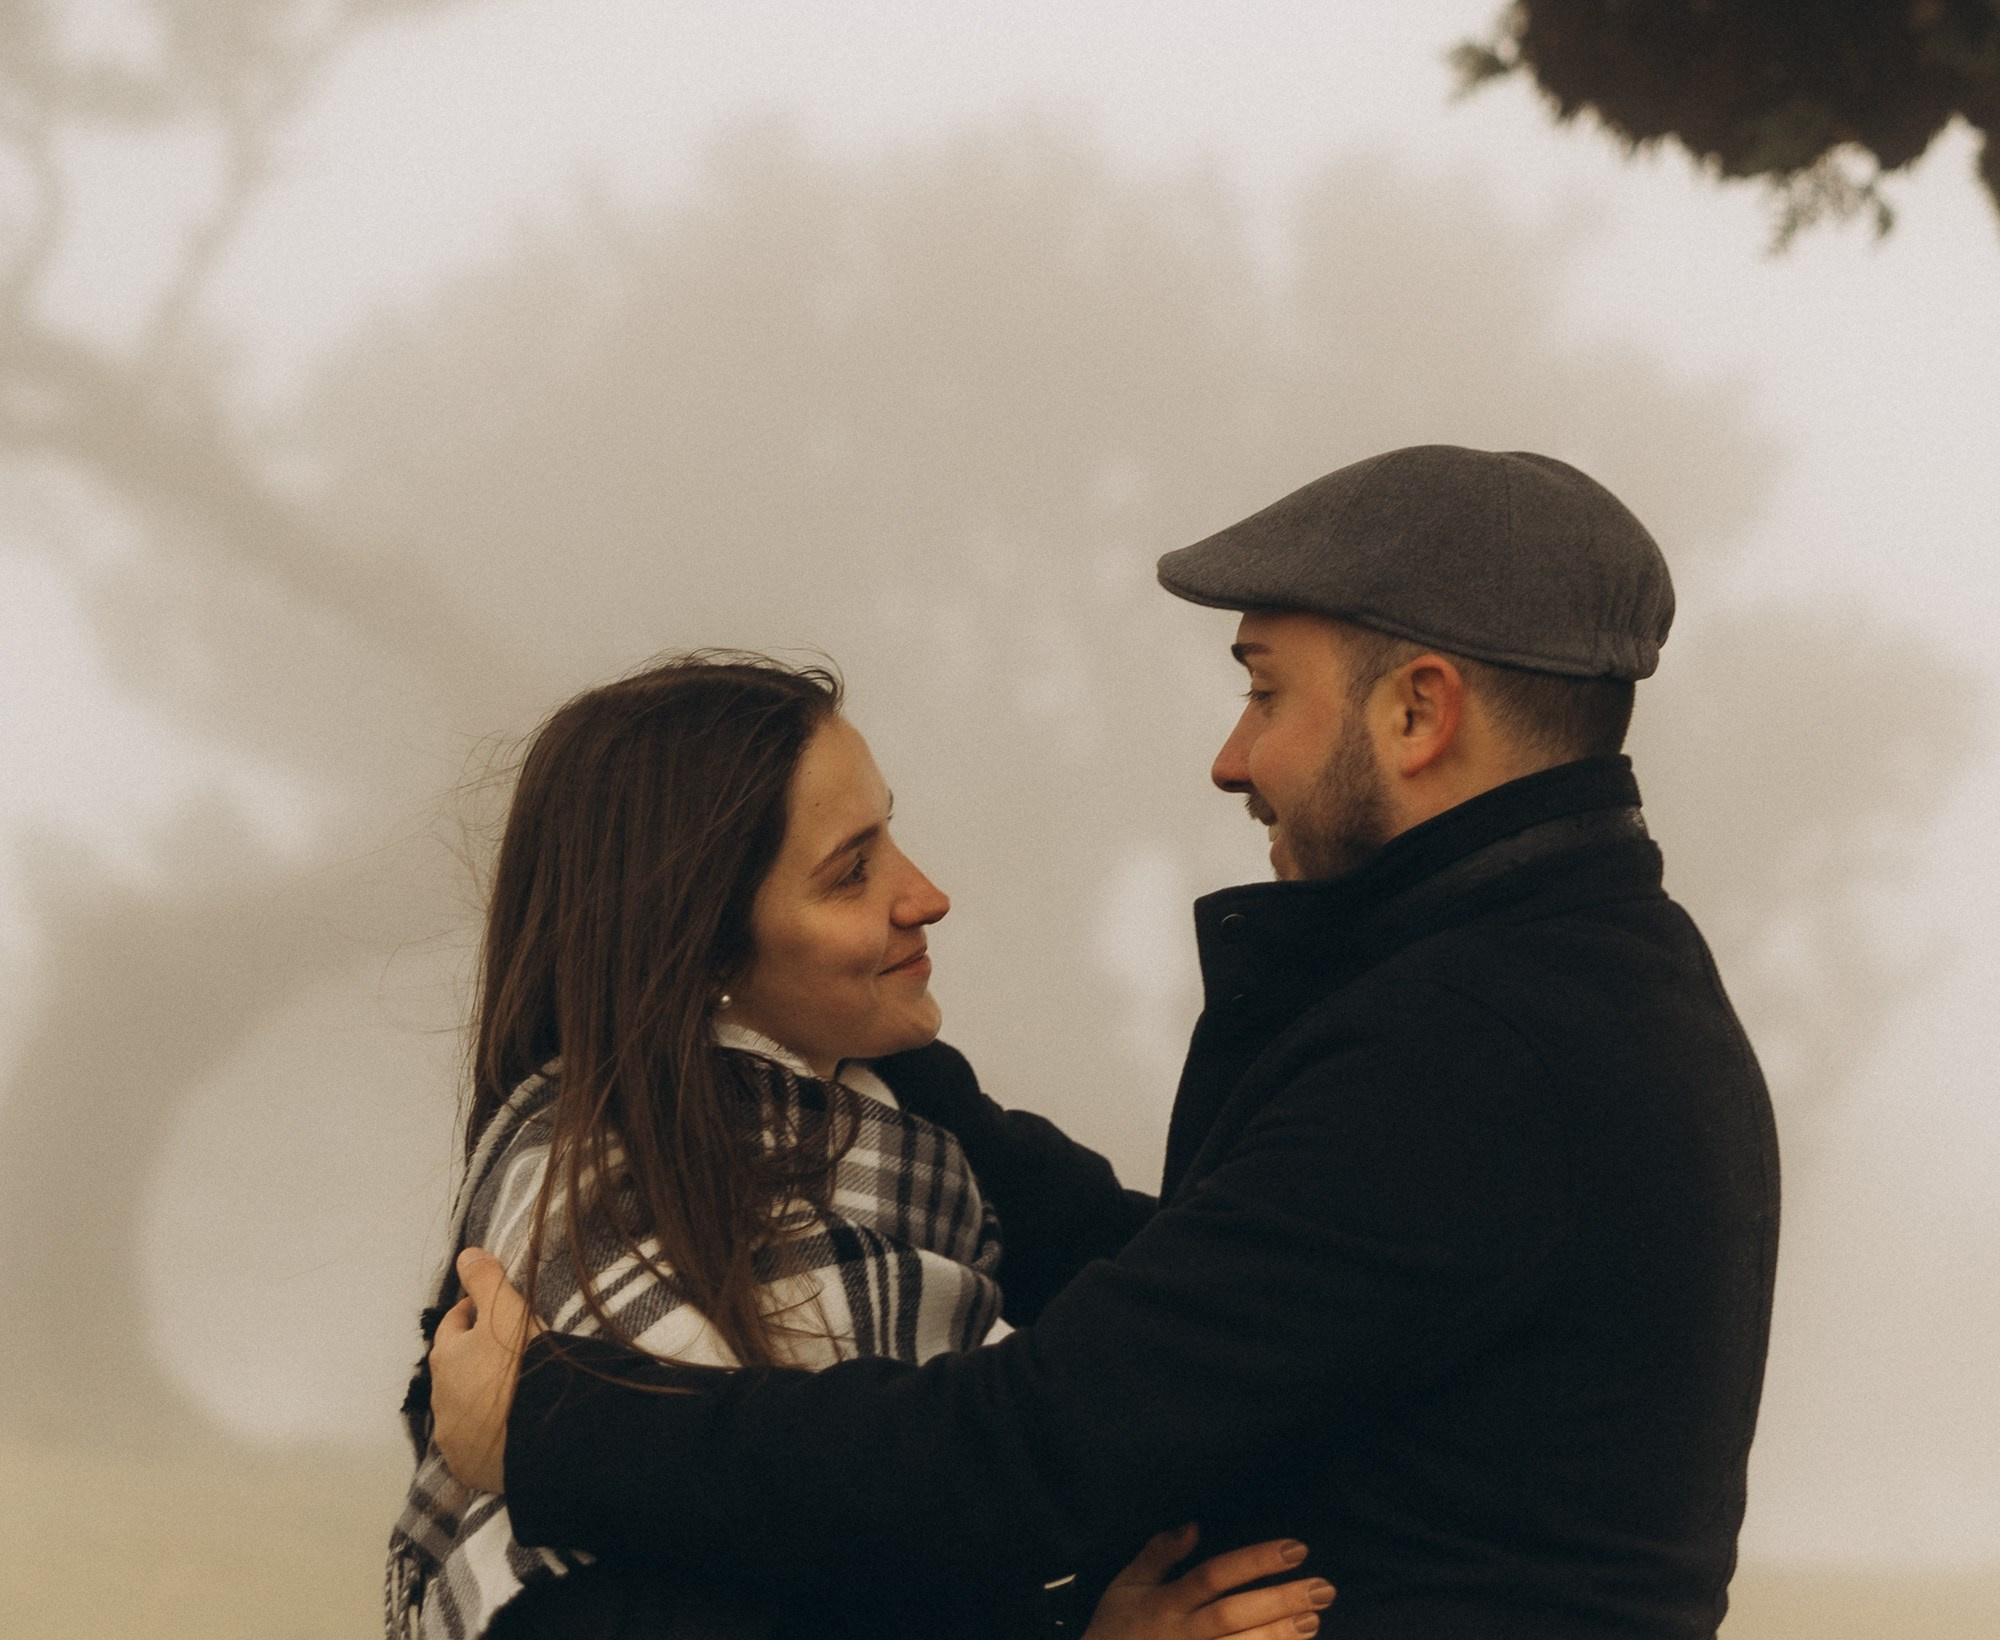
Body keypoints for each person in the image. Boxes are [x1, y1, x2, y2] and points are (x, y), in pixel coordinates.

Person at [429, 444, 1783, 1640]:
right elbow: (1205, 1288)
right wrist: (898, 1054)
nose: (1230, 756)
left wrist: (546, 1427)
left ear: (1418, 713)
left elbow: (1023, 1455)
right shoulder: (1581, 987)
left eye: (1265, 691)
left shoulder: (1474, 1050)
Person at [391, 651, 1337, 1640]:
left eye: (890, 834)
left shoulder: (908, 1114)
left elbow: (1165, 1320)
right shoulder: (591, 1238)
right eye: (851, 871)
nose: (925, 894)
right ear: (703, 944)